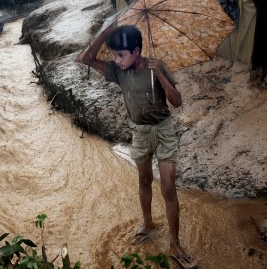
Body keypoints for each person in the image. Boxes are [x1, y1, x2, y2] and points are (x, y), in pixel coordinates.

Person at [80, 24, 197, 269]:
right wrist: (106, 32)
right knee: (144, 181)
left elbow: (176, 102)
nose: (116, 60)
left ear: (136, 51)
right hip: (140, 133)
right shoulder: (117, 72)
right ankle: (148, 224)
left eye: (121, 55)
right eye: (114, 55)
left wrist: (161, 75)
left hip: (164, 131)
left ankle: (175, 243)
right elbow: (87, 58)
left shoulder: (157, 66)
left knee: (168, 186)